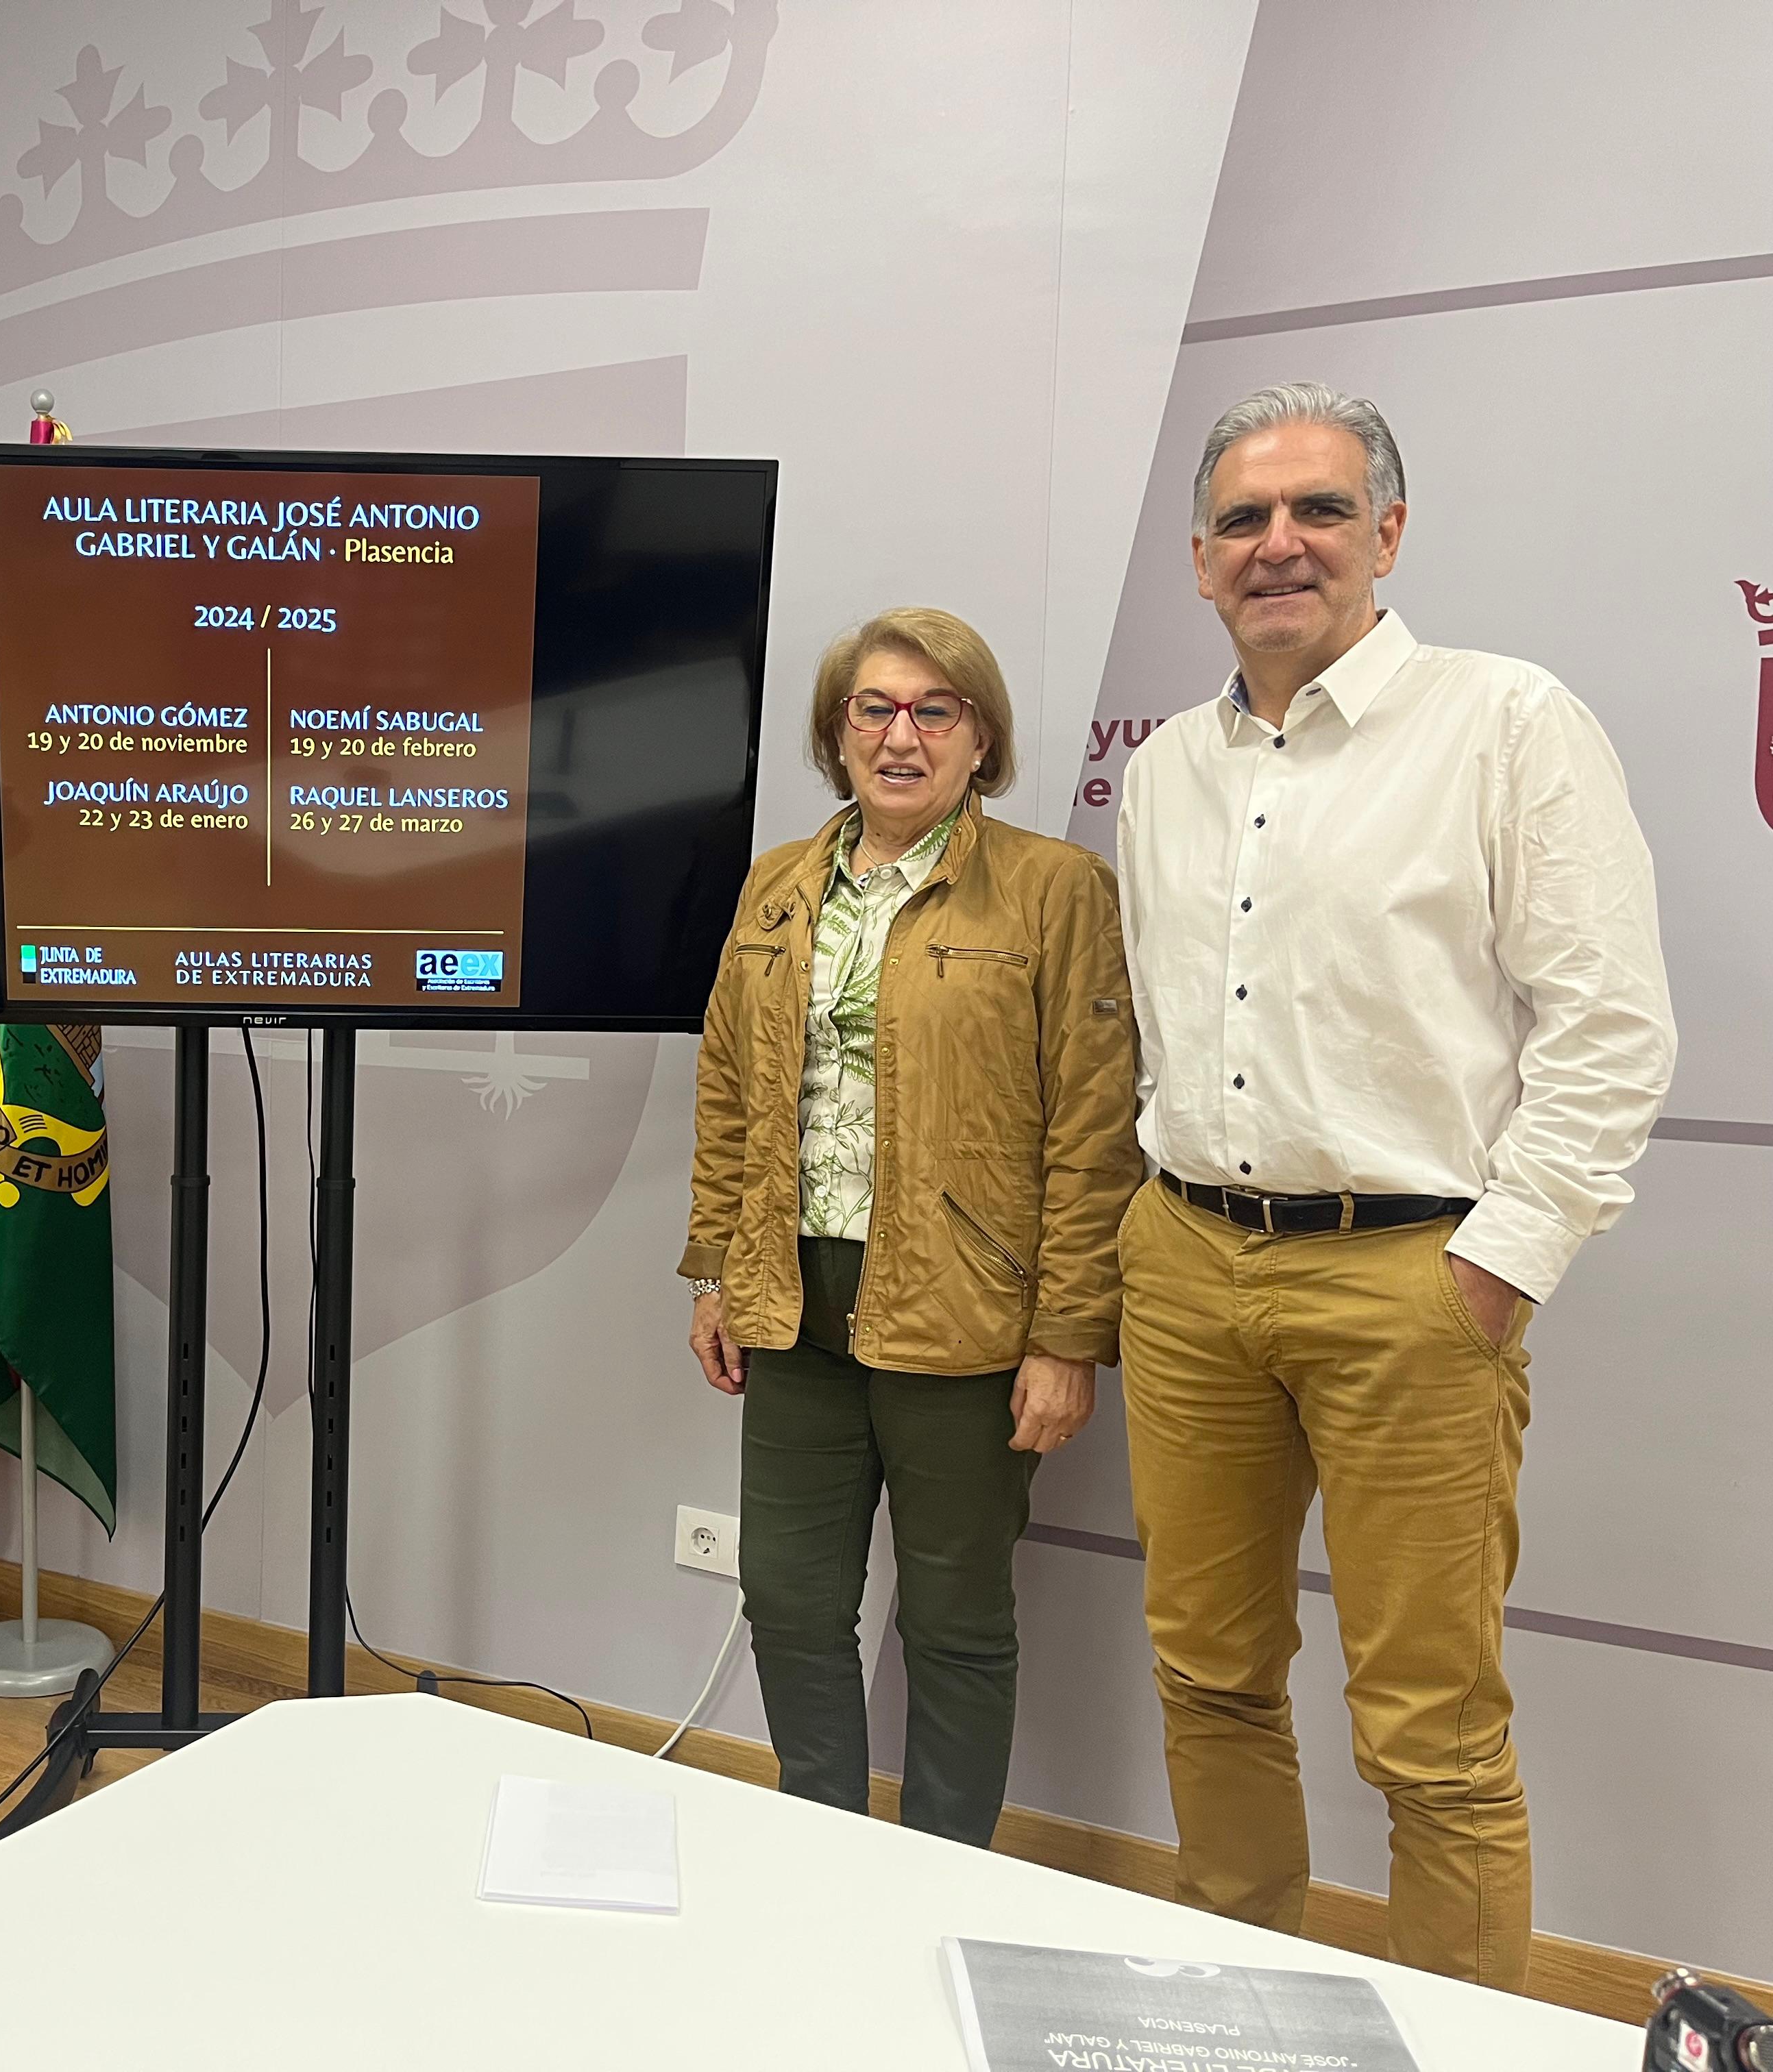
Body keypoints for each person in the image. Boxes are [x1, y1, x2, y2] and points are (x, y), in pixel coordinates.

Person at [1114, 383, 1676, 1988]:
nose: (1279, 545)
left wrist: (1502, 1261)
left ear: (1389, 536)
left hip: (1413, 1283)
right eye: (1242, 520)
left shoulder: (1508, 725)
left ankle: (1467, 2038)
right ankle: (1240, 2004)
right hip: (1188, 1268)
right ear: (1201, 563)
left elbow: (1612, 1028)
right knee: (1207, 1674)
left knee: (1430, 1730)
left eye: (1319, 512)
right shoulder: (1164, 771)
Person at [681, 608, 1140, 1845]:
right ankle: (821, 1854)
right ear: (838, 734)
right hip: (792, 1301)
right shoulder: (780, 882)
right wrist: (715, 1270)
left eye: (934, 711)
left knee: (952, 1620)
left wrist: (1068, 1338)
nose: (901, 735)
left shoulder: (1054, 890)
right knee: (786, 1597)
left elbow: (1095, 1134)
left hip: (967, 1313)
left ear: (978, 737)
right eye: (874, 709)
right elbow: (729, 1089)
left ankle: (942, 1878)